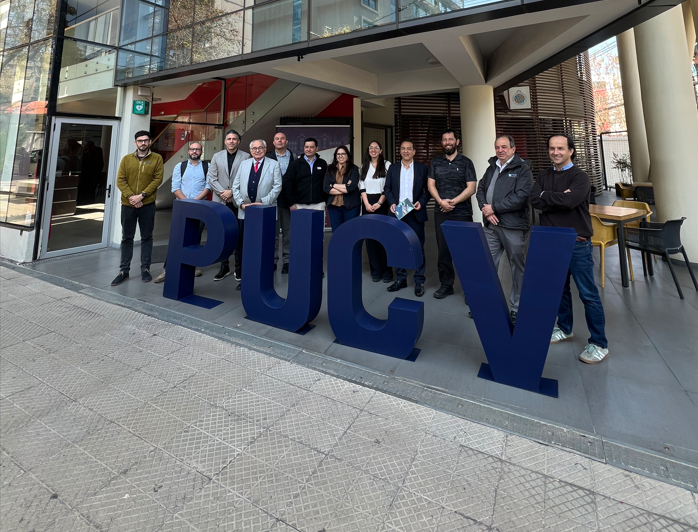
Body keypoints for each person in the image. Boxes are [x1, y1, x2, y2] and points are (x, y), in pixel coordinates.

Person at [530, 134, 609, 364]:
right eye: (552, 148)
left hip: (577, 242)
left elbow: (570, 202)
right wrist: (555, 197)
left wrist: (547, 197)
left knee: (588, 294)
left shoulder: (579, 177)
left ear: (570, 151)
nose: (555, 152)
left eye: (560, 148)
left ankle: (599, 343)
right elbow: (534, 199)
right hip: (551, 241)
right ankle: (565, 329)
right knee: (559, 290)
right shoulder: (543, 175)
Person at [472, 135, 532, 324]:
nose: (500, 150)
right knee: (487, 264)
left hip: (513, 226)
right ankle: (487, 303)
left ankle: (517, 307)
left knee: (517, 267)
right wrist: (486, 209)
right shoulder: (492, 167)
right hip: (491, 225)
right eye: (497, 147)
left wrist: (494, 208)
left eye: (504, 147)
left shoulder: (523, 169)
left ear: (513, 149)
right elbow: (481, 189)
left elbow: (521, 197)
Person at [427, 129, 477, 300]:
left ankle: (469, 289)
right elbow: (431, 185)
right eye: (444, 139)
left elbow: (471, 188)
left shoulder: (466, 162)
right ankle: (446, 285)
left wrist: (453, 202)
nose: (447, 142)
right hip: (441, 212)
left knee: (464, 252)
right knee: (443, 251)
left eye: (450, 139)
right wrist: (441, 202)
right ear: (442, 143)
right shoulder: (435, 162)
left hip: (462, 213)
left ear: (457, 141)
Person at [111, 130, 164, 286]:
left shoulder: (157, 158)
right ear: (135, 142)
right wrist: (132, 197)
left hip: (147, 205)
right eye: (140, 140)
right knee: (127, 238)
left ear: (150, 142)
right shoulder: (126, 159)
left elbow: (157, 179)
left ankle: (145, 269)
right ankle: (124, 271)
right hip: (128, 205)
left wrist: (142, 196)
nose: (143, 143)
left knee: (147, 237)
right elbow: (120, 180)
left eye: (146, 140)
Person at [154, 141, 210, 284]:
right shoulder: (180, 166)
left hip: (200, 207)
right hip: (182, 207)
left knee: (195, 237)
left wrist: (195, 201)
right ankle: (167, 269)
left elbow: (208, 187)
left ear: (201, 151)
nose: (194, 151)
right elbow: (175, 187)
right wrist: (186, 202)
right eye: (192, 149)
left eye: (197, 149)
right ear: (188, 151)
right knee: (177, 237)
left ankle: (193, 266)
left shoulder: (207, 167)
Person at [232, 140, 283, 291]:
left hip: (265, 211)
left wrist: (264, 202)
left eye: (260, 148)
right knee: (246, 246)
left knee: (264, 246)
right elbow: (235, 186)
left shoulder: (274, 164)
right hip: (245, 212)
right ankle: (246, 279)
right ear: (250, 150)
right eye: (254, 148)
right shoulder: (244, 164)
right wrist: (241, 204)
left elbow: (277, 186)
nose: (257, 150)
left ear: (265, 149)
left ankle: (263, 279)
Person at [384, 140, 430, 297]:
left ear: (414, 151)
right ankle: (401, 278)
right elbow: (387, 188)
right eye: (403, 148)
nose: (406, 151)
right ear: (400, 151)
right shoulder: (393, 168)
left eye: (409, 148)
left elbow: (428, 190)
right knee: (397, 245)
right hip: (398, 210)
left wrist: (421, 202)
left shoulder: (422, 168)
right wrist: (392, 202)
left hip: (415, 210)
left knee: (417, 246)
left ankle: (419, 280)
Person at [208, 129, 251, 282]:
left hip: (238, 201)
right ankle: (224, 266)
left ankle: (239, 267)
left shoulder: (246, 156)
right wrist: (223, 193)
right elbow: (212, 178)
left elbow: (246, 179)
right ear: (225, 141)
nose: (231, 141)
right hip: (220, 201)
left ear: (238, 141)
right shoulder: (216, 156)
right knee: (222, 235)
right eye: (229, 139)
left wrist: (231, 192)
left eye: (234, 139)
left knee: (239, 235)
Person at [359, 141, 393, 283]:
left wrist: (379, 203)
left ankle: (387, 271)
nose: (373, 150)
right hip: (367, 204)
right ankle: (376, 271)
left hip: (382, 203)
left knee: (384, 238)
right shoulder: (364, 166)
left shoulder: (387, 165)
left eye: (376, 148)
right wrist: (367, 204)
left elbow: (388, 186)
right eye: (371, 148)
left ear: (381, 150)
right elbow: (361, 186)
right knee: (371, 239)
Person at [266, 132, 296, 274]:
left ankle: (287, 261)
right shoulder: (268, 157)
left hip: (288, 200)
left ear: (286, 141)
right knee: (273, 232)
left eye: (282, 138)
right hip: (271, 199)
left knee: (287, 232)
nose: (279, 140)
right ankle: (272, 260)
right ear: (273, 142)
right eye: (277, 139)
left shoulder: (294, 157)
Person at [282, 137, 328, 213]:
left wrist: (325, 201)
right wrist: (291, 203)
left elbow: (326, 182)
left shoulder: (322, 163)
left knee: (318, 222)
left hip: (319, 204)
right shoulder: (295, 164)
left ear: (316, 148)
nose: (308, 149)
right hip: (299, 205)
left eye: (311, 147)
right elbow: (287, 184)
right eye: (306, 147)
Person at [324, 146, 361, 231]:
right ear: (335, 156)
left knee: (350, 232)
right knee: (337, 232)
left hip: (351, 207)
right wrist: (344, 188)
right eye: (338, 154)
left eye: (343, 154)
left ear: (347, 156)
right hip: (334, 207)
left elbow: (350, 188)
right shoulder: (330, 169)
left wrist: (333, 185)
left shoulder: (354, 169)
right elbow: (326, 188)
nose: (340, 156)